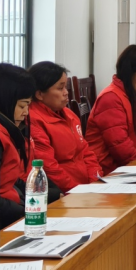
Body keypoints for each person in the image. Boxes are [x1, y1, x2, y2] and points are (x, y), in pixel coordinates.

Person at [0, 64, 57, 228]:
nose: (26, 113)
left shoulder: (0, 127)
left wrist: (51, 194)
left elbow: (9, 178)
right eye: (22, 106)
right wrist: (27, 213)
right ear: (4, 101)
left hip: (12, 208)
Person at [27, 61, 101, 193]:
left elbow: (86, 152)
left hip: (87, 189)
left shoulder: (69, 115)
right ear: (39, 94)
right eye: (60, 88)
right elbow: (49, 168)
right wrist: (78, 191)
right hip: (64, 193)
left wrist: (95, 182)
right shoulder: (34, 121)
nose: (66, 93)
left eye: (66, 87)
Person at [86, 45, 136, 174]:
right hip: (110, 171)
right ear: (129, 72)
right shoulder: (110, 98)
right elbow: (119, 145)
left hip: (133, 167)